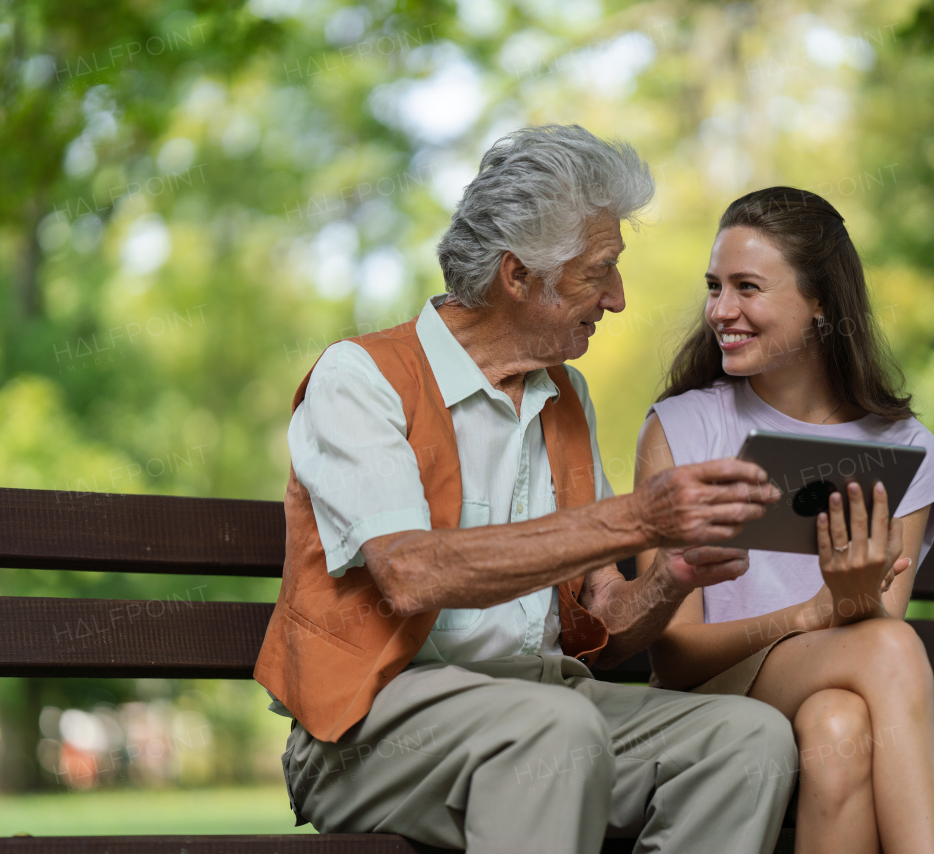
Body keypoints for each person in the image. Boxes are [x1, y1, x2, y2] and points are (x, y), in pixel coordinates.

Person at [253, 126, 798, 854]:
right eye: (598, 272)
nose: (617, 298)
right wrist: (635, 517)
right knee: (550, 728)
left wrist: (668, 578)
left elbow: (603, 617)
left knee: (748, 738)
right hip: (371, 727)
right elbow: (410, 572)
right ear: (517, 276)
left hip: (545, 704)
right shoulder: (363, 379)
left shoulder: (564, 395)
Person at [636, 187, 934, 854]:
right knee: (894, 646)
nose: (721, 311)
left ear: (820, 303)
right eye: (715, 287)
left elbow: (875, 631)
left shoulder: (902, 446)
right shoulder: (683, 426)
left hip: (834, 702)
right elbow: (674, 656)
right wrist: (813, 614)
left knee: (839, 727)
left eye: (747, 288)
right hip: (711, 703)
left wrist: (847, 605)